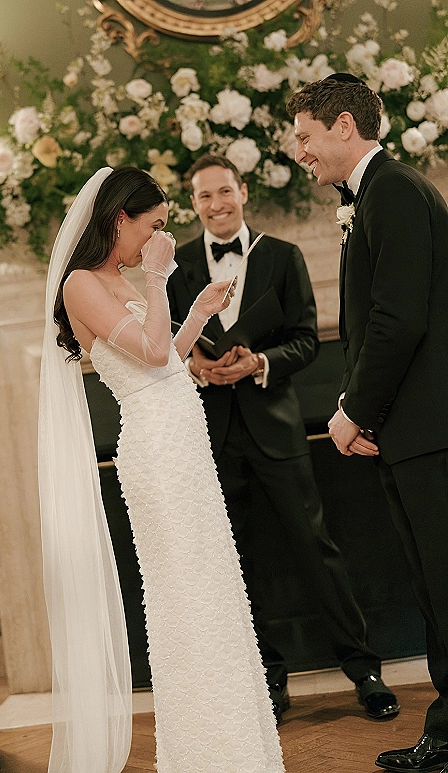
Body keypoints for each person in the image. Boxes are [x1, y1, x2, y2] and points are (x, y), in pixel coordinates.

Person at [38, 165, 284, 773]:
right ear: (120, 219)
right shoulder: (80, 285)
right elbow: (147, 354)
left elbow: (168, 359)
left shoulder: (122, 277)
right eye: (152, 227)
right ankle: (204, 753)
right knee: (183, 594)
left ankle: (234, 744)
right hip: (155, 450)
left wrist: (195, 311)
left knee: (214, 589)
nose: (159, 239)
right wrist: (156, 279)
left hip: (185, 445)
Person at [167, 153, 399, 724]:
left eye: (225, 191)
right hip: (212, 438)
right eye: (204, 197)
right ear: (192, 205)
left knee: (316, 551)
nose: (216, 204)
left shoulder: (283, 256)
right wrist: (196, 367)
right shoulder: (175, 273)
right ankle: (266, 680)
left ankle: (364, 671)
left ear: (243, 191)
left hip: (277, 429)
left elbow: (306, 341)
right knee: (236, 562)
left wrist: (259, 363)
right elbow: (167, 345)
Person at [287, 73, 448, 773]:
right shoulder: (375, 197)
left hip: (432, 433)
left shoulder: (395, 193)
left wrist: (352, 408)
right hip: (412, 431)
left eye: (305, 136)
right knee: (434, 592)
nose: (300, 152)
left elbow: (397, 319)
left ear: (343, 126)